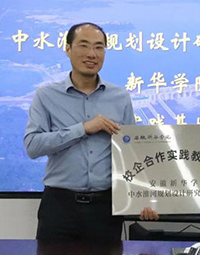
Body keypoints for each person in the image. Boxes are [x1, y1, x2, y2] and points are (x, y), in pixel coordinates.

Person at [24, 22, 137, 242]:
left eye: (99, 47)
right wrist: (83, 128)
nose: (92, 54)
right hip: (59, 206)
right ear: (68, 49)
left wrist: (144, 198)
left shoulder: (120, 97)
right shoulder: (46, 96)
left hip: (105, 207)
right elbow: (32, 146)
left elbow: (131, 152)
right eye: (84, 45)